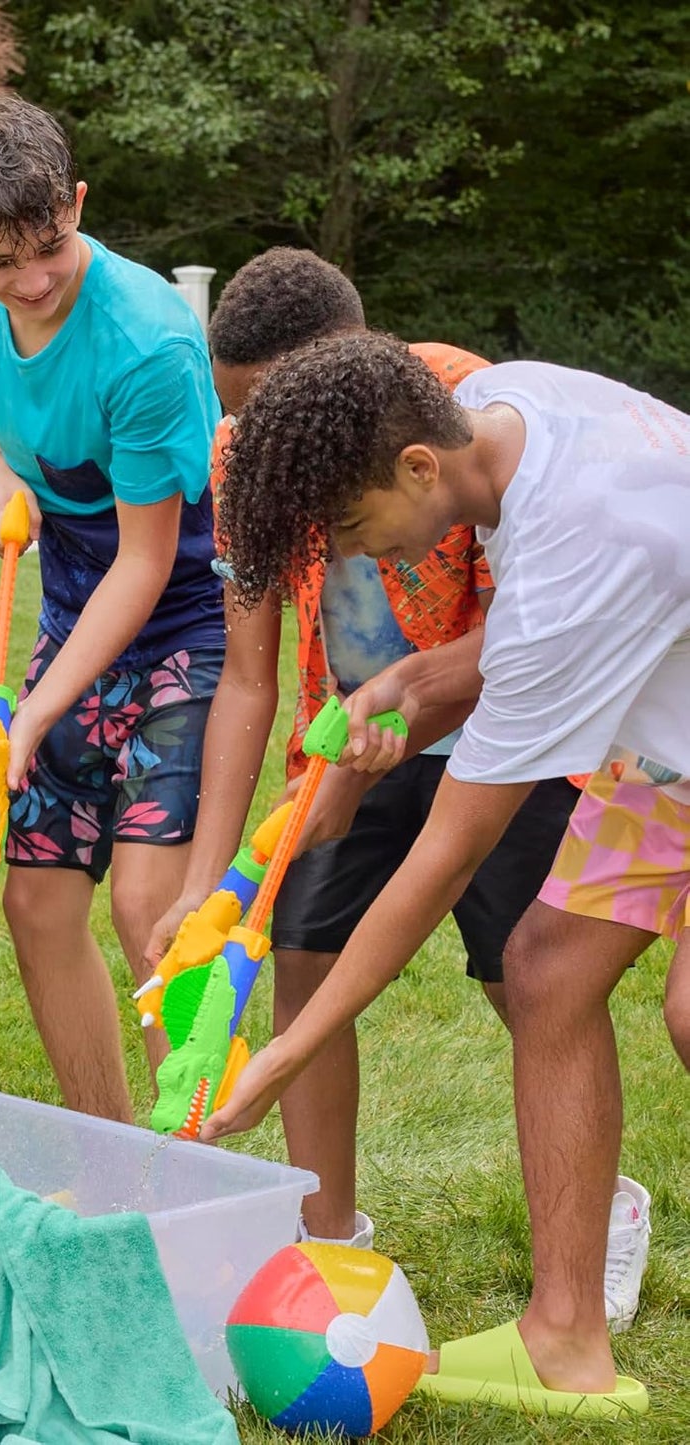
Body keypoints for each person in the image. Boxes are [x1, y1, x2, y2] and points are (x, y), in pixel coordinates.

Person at [202, 330, 688, 1416]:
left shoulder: (573, 551)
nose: (354, 555)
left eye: (348, 526)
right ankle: (563, 1340)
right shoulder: (509, 408)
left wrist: (289, 1047)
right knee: (546, 970)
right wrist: (414, 679)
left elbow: (443, 853)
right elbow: (533, 634)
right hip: (671, 756)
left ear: (417, 466)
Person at [145, 251, 638, 1290]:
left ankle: (597, 1205)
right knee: (303, 952)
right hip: (351, 737)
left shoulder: (461, 414)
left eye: (274, 406)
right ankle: (326, 1243)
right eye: (242, 415)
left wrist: (412, 699)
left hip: (507, 729)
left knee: (530, 977)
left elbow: (533, 635)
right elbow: (247, 676)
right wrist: (203, 881)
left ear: (348, 368)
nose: (259, 438)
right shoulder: (247, 458)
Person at [0, 93, 232, 1123]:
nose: (29, 281)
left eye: (49, 248)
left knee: (152, 908)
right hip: (71, 601)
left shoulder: (146, 343)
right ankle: (111, 1155)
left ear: (78, 203)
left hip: (186, 617)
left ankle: (192, 1167)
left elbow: (145, 564)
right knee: (36, 899)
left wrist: (31, 716)